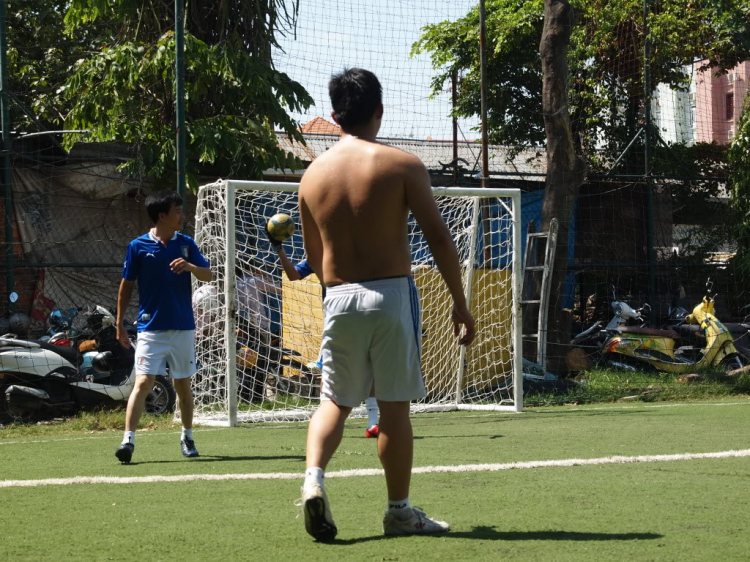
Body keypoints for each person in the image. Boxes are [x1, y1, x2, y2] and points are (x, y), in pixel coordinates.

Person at [297, 68, 475, 541]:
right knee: (394, 410)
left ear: (334, 116)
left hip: (337, 296)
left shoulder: (312, 177)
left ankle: (313, 479)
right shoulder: (402, 165)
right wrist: (460, 303)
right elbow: (439, 238)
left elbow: (315, 258)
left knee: (334, 401)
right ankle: (399, 511)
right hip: (390, 295)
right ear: (380, 110)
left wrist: (333, 295)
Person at [114, 191, 212, 463]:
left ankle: (187, 436)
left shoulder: (186, 243)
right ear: (162, 215)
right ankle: (128, 442)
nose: (183, 216)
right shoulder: (138, 246)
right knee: (143, 381)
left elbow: (209, 273)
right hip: (150, 329)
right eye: (178, 211)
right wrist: (119, 321)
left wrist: (191, 266)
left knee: (182, 384)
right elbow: (126, 285)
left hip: (182, 327)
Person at [269, 237, 380, 437]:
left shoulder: (352, 254)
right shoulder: (319, 257)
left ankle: (371, 422)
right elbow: (293, 275)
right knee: (337, 369)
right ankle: (335, 419)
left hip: (353, 317)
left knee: (362, 367)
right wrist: (279, 249)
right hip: (341, 319)